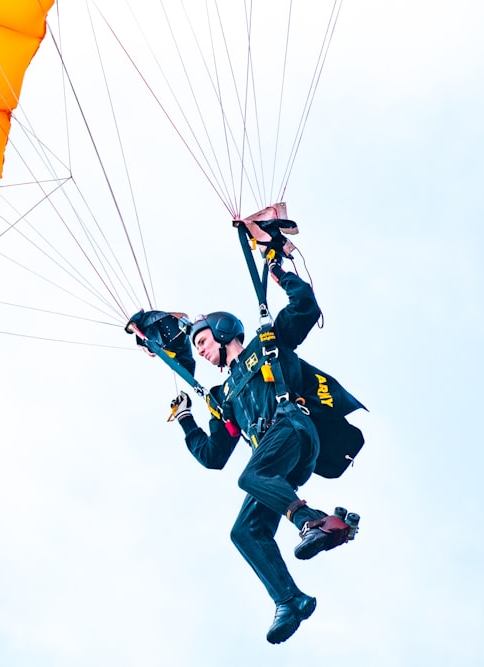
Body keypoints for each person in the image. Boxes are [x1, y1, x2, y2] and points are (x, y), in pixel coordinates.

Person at [168, 215, 361, 644]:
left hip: (294, 428)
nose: (200, 352)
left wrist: (277, 270)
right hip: (281, 464)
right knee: (244, 531)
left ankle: (311, 520)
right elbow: (214, 457)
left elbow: (305, 308)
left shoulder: (267, 343)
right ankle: (291, 601)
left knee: (251, 476)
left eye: (202, 343)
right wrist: (186, 422)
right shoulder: (227, 396)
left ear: (221, 332)